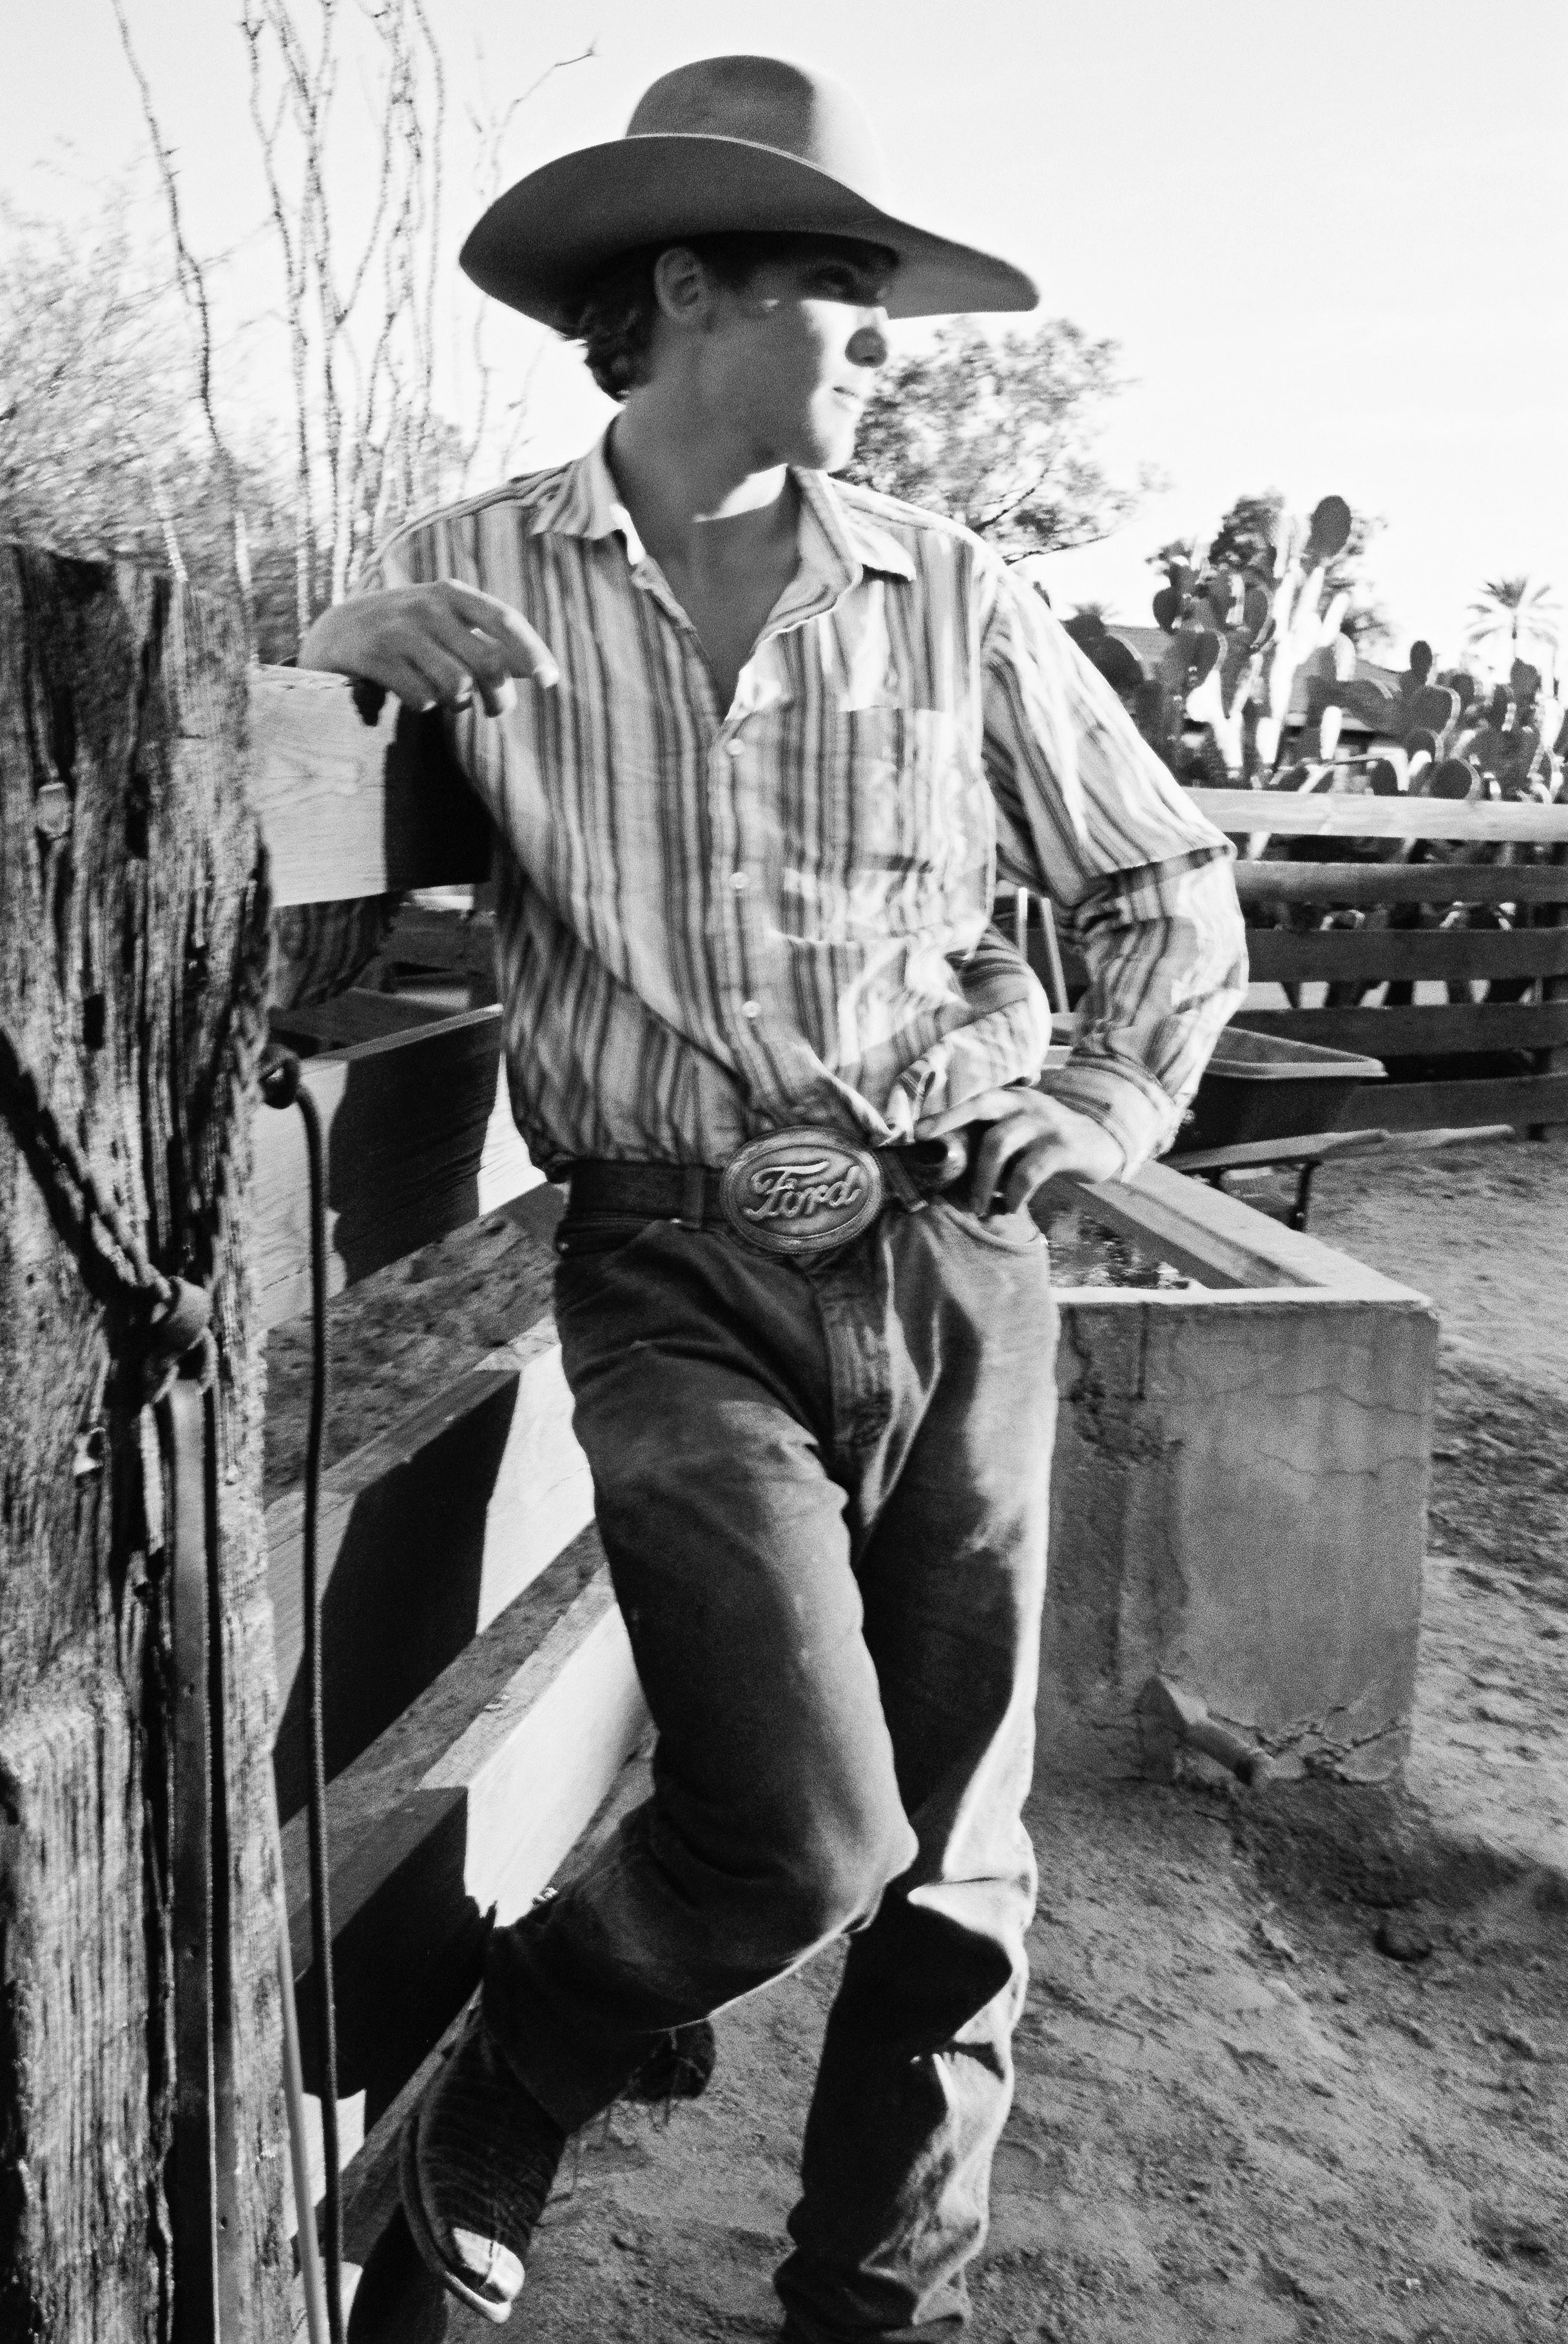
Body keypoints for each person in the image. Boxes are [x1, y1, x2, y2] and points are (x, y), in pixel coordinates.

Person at [304, 53, 1247, 2343]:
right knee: (813, 1817)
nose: (887, 340)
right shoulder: (460, 577)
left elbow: (1160, 878)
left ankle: (876, 2295)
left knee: (957, 1847)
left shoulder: (955, 590)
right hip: (667, 1262)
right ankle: (527, 2064)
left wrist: (1110, 1095)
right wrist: (325, 691)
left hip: (950, 1243)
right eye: (845, 284)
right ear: (689, 287)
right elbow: (309, 948)